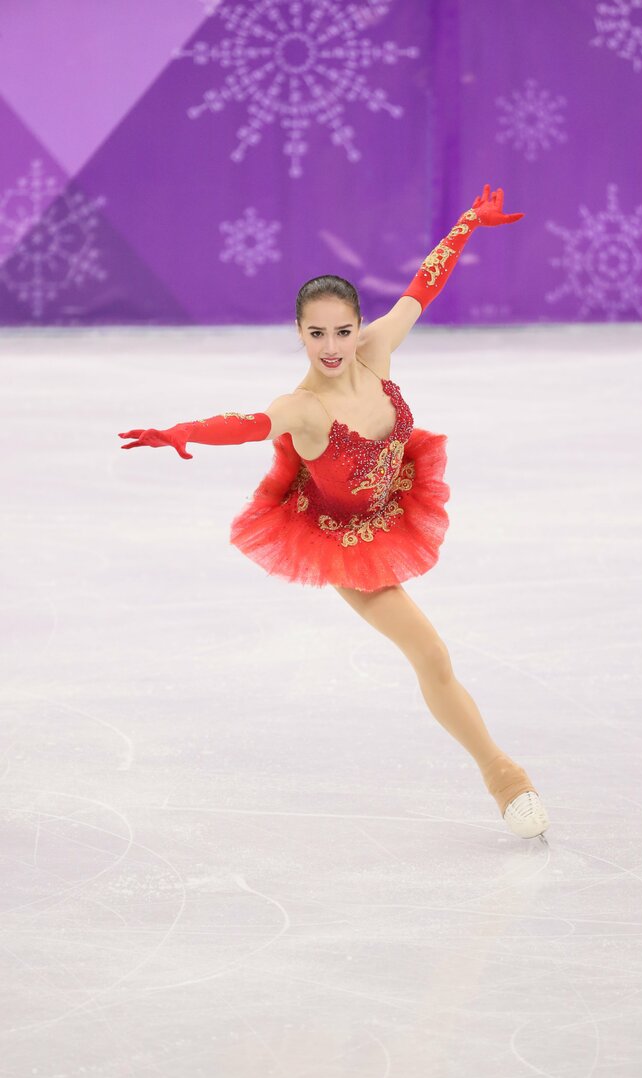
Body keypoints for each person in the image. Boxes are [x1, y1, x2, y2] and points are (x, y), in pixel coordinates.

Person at [119, 184, 551, 840]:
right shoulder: (304, 407)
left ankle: (501, 772)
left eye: (341, 331)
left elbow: (422, 286)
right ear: (298, 332)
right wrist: (181, 429)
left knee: (431, 655)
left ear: (356, 327)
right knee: (431, 653)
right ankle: (503, 776)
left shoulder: (375, 352)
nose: (330, 345)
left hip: (389, 501)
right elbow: (245, 423)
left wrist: (467, 222)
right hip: (343, 537)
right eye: (316, 333)